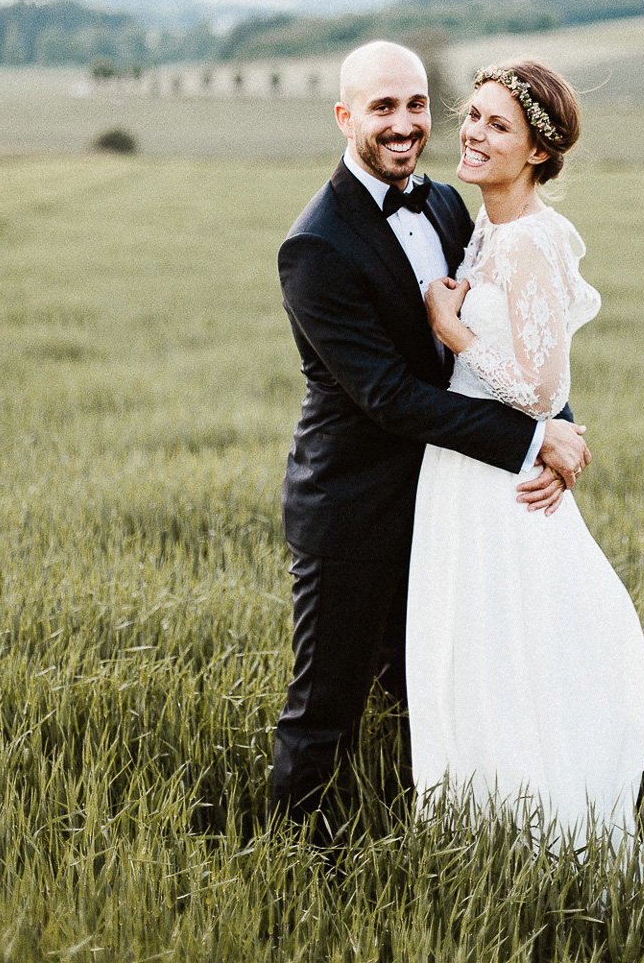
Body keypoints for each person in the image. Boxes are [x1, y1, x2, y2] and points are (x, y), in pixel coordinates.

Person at [270, 41, 590, 827]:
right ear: (345, 117)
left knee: (440, 684)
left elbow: (508, 348)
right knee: (327, 703)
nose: (406, 123)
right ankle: (288, 864)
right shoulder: (315, 246)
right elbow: (389, 396)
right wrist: (531, 442)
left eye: (417, 104)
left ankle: (455, 830)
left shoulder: (449, 204)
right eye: (383, 107)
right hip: (352, 507)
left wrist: (560, 423)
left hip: (448, 502)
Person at [406, 60, 644, 852]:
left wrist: (454, 333)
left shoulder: (530, 243)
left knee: (509, 649)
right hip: (460, 470)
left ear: (537, 154)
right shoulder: (484, 224)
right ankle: (476, 828)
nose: (474, 135)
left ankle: (537, 833)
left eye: (498, 127)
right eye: (474, 116)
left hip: (501, 480)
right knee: (468, 648)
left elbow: (543, 388)